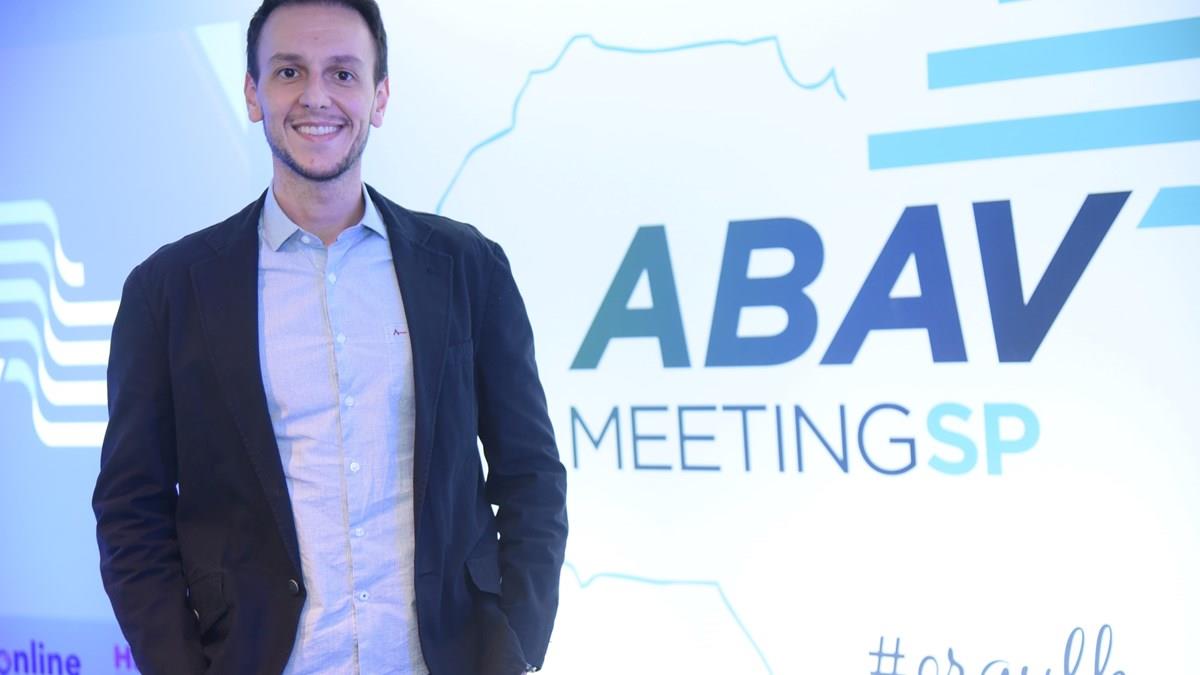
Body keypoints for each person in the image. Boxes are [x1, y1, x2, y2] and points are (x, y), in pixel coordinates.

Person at [91, 1, 568, 673]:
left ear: (380, 96)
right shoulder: (168, 291)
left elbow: (531, 475)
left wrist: (514, 647)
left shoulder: (468, 267)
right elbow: (130, 508)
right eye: (289, 71)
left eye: (343, 73)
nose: (316, 96)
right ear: (253, 93)